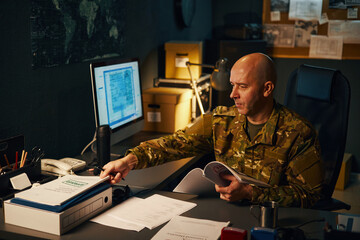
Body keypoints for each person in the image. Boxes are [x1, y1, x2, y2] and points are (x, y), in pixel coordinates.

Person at [100, 53, 324, 208]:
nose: (232, 94)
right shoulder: (220, 121)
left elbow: (310, 196)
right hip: (226, 213)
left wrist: (250, 193)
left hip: (270, 220)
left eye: (242, 87)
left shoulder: (298, 132)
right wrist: (129, 161)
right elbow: (174, 144)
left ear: (267, 89)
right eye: (232, 84)